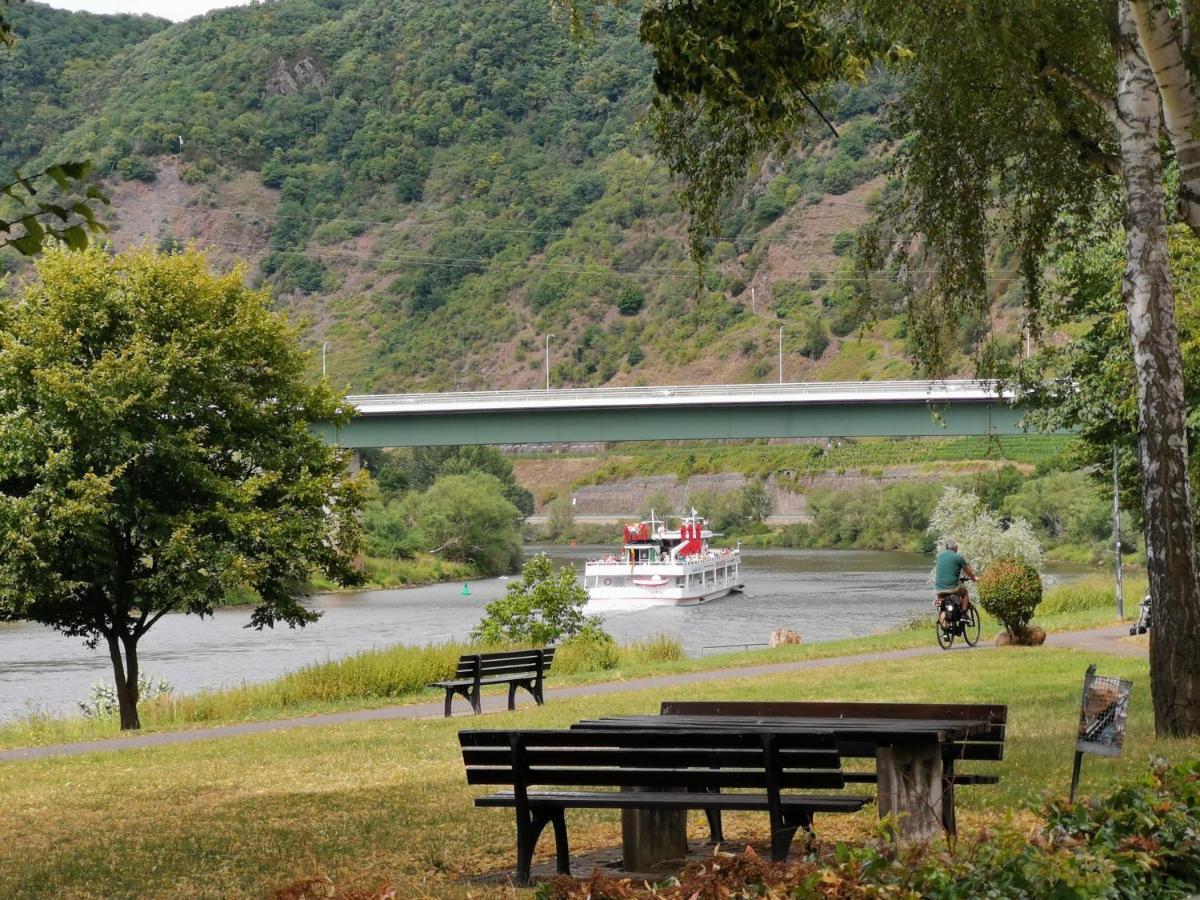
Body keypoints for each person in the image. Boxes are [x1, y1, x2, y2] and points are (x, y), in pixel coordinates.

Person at [934, 539, 977, 627]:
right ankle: (964, 614)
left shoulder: (939, 556)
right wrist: (974, 578)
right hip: (953, 587)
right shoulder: (958, 557)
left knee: (942, 605)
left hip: (939, 589)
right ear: (955, 547)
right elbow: (967, 571)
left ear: (946, 548)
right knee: (964, 593)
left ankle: (944, 625)